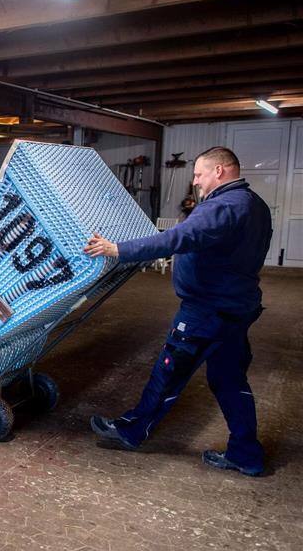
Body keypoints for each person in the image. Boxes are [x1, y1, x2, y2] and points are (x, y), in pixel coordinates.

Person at [83, 146, 272, 476]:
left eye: (199, 174)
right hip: (237, 307)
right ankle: (247, 455)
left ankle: (130, 432)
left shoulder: (223, 206)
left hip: (206, 311)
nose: (196, 182)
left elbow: (177, 238)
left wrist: (118, 249)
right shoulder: (256, 205)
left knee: (168, 373)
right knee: (229, 379)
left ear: (220, 171)